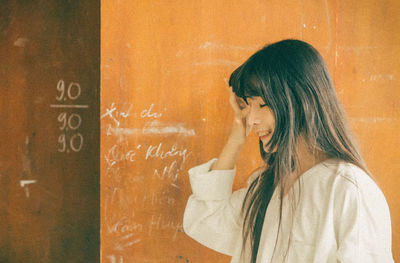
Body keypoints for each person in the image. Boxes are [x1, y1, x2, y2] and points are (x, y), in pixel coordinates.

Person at [182, 39, 394, 262]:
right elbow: (206, 219)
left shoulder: (349, 190)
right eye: (247, 105)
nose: (252, 119)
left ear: (299, 101)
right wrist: (237, 133)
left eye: (261, 105)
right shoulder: (266, 185)